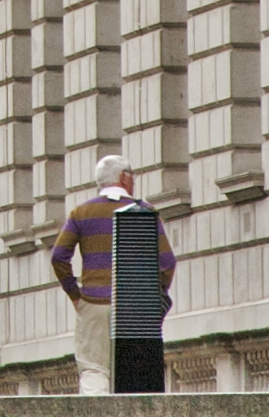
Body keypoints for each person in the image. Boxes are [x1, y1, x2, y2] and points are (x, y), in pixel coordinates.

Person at [48, 158, 177, 395]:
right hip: (134, 308)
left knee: (94, 369)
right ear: (124, 177)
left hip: (93, 302)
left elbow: (58, 257)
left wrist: (76, 295)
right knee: (136, 371)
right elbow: (167, 262)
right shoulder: (145, 212)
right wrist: (151, 300)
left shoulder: (82, 212)